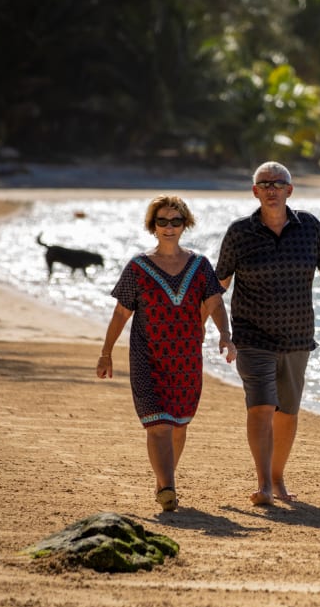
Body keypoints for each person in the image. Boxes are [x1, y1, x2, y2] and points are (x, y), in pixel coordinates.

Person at [216, 161, 320, 506]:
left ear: (289, 190)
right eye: (264, 184)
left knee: (288, 412)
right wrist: (216, 329)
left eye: (278, 183)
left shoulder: (309, 227)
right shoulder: (240, 232)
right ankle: (264, 483)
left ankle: (279, 478)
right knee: (261, 407)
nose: (271, 189)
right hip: (252, 336)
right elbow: (218, 284)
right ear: (255, 191)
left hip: (298, 335)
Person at [97, 195, 236, 512]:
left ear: (185, 224)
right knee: (158, 424)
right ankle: (169, 487)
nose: (169, 227)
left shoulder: (200, 265)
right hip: (147, 357)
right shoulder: (138, 267)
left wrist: (225, 336)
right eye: (163, 221)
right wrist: (106, 353)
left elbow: (214, 302)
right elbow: (121, 314)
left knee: (179, 424)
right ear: (152, 225)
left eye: (176, 221)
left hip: (186, 358)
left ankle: (163, 480)